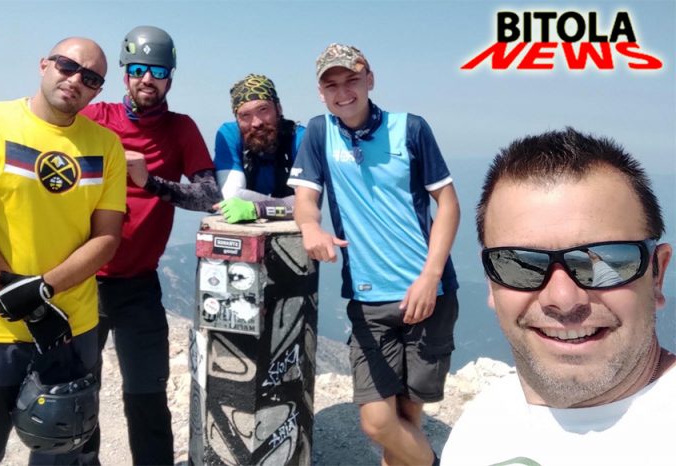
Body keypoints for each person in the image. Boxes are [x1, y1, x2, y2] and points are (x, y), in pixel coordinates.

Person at [0, 37, 127, 465]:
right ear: (44, 65)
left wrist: (44, 290)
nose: (75, 80)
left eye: (91, 78)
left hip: (71, 329)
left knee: (62, 450)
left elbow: (107, 238)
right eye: (67, 66)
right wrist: (31, 308)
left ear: (98, 91)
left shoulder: (106, 146)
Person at [441, 128, 674, 466]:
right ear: (491, 280)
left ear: (657, 275)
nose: (563, 298)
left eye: (604, 261)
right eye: (520, 264)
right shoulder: (480, 428)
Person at [288, 43, 460, 466]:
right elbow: (305, 199)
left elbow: (448, 203)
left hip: (428, 294)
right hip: (368, 301)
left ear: (369, 79)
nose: (343, 92)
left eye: (351, 80)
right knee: (378, 422)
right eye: (332, 85)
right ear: (321, 93)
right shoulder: (319, 133)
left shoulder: (410, 128)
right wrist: (310, 227)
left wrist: (430, 276)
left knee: (408, 418)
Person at [80, 25, 219, 465]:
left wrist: (151, 182)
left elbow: (209, 195)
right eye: (138, 69)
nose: (147, 79)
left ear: (169, 78)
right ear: (124, 74)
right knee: (77, 394)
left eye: (157, 71)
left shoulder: (180, 129)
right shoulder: (94, 118)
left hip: (138, 285)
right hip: (80, 280)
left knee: (147, 397)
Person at [213, 74, 305, 223]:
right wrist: (287, 205)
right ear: (237, 120)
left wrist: (256, 208)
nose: (256, 123)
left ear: (278, 108)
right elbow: (231, 197)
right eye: (245, 115)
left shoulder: (301, 139)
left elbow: (308, 205)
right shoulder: (229, 134)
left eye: (263, 109)